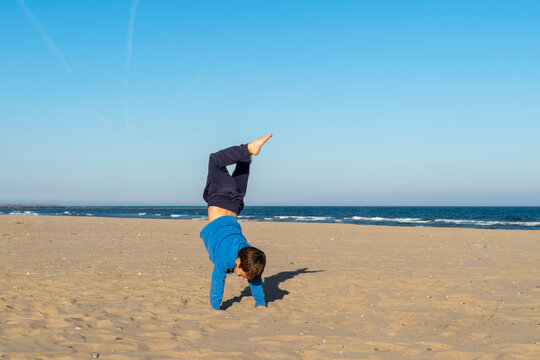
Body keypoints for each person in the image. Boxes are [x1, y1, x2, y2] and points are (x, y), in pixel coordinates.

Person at [200, 134, 272, 310]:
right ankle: (247, 149)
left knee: (242, 164)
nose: (242, 278)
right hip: (220, 197)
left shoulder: (247, 249)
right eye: (242, 275)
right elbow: (217, 281)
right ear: (238, 261)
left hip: (236, 202)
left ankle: (245, 159)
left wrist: (260, 303)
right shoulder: (225, 260)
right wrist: (215, 305)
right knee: (215, 160)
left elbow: (255, 278)